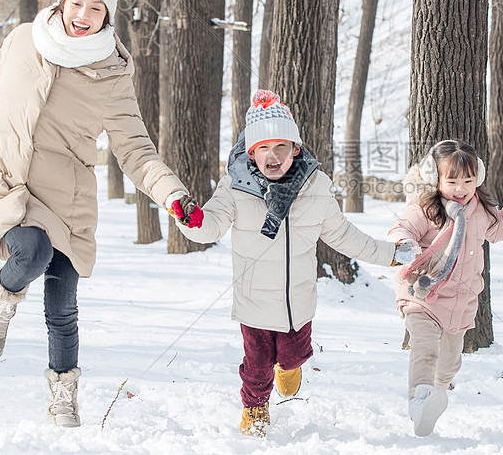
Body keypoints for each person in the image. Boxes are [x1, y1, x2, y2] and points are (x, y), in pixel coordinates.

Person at [0, 0, 199, 428]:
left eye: (96, 7)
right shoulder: (22, 41)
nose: (84, 13)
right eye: (77, 1)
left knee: (62, 303)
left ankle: (63, 396)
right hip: (7, 183)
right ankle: (1, 297)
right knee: (29, 253)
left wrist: (173, 196)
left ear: (107, 17)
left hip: (68, 199)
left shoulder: (112, 75)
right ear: (62, 1)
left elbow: (136, 150)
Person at [173, 89, 411, 438]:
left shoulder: (315, 188)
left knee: (294, 355)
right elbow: (211, 225)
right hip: (254, 302)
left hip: (297, 302)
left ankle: (289, 366)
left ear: (295, 149)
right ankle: (255, 409)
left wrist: (390, 253)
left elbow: (344, 235)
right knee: (255, 366)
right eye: (263, 149)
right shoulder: (235, 188)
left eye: (281, 147)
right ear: (251, 153)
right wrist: (191, 221)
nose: (273, 156)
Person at [387, 140, 503, 437]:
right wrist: (404, 243)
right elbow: (402, 226)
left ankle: (438, 391)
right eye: (453, 180)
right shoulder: (426, 209)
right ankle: (419, 401)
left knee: (450, 362)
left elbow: (500, 228)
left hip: (459, 302)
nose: (461, 188)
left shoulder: (481, 210)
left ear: (478, 179)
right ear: (436, 180)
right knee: (426, 348)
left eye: (468, 180)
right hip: (422, 294)